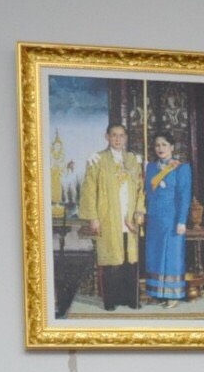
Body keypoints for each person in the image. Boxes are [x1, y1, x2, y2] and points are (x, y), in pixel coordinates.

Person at [77, 124, 143, 310]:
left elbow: (141, 188)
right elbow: (89, 190)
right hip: (108, 216)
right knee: (111, 259)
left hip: (129, 216)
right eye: (114, 135)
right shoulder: (97, 160)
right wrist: (93, 217)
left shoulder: (132, 160)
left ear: (126, 137)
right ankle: (111, 300)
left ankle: (131, 298)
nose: (118, 139)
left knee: (130, 259)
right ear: (107, 137)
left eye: (121, 135)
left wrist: (139, 210)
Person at [142, 135, 192, 306]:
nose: (160, 148)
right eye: (157, 145)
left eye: (164, 145)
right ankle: (157, 292)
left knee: (172, 256)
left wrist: (182, 221)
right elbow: (146, 193)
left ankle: (173, 295)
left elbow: (184, 196)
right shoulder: (150, 167)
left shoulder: (181, 168)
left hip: (172, 219)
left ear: (172, 147)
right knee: (155, 255)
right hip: (154, 219)